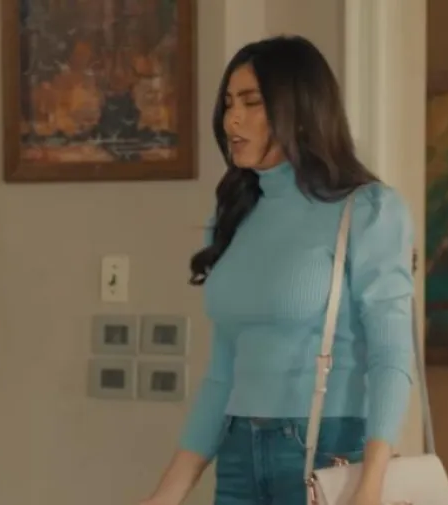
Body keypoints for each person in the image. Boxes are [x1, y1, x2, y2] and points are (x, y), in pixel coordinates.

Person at [140, 36, 415, 505]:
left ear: (301, 111)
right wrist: (168, 492)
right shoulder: (233, 214)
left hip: (329, 450)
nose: (232, 119)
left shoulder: (368, 209)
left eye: (252, 103)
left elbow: (390, 353)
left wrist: (372, 482)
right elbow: (222, 373)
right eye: (229, 103)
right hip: (238, 454)